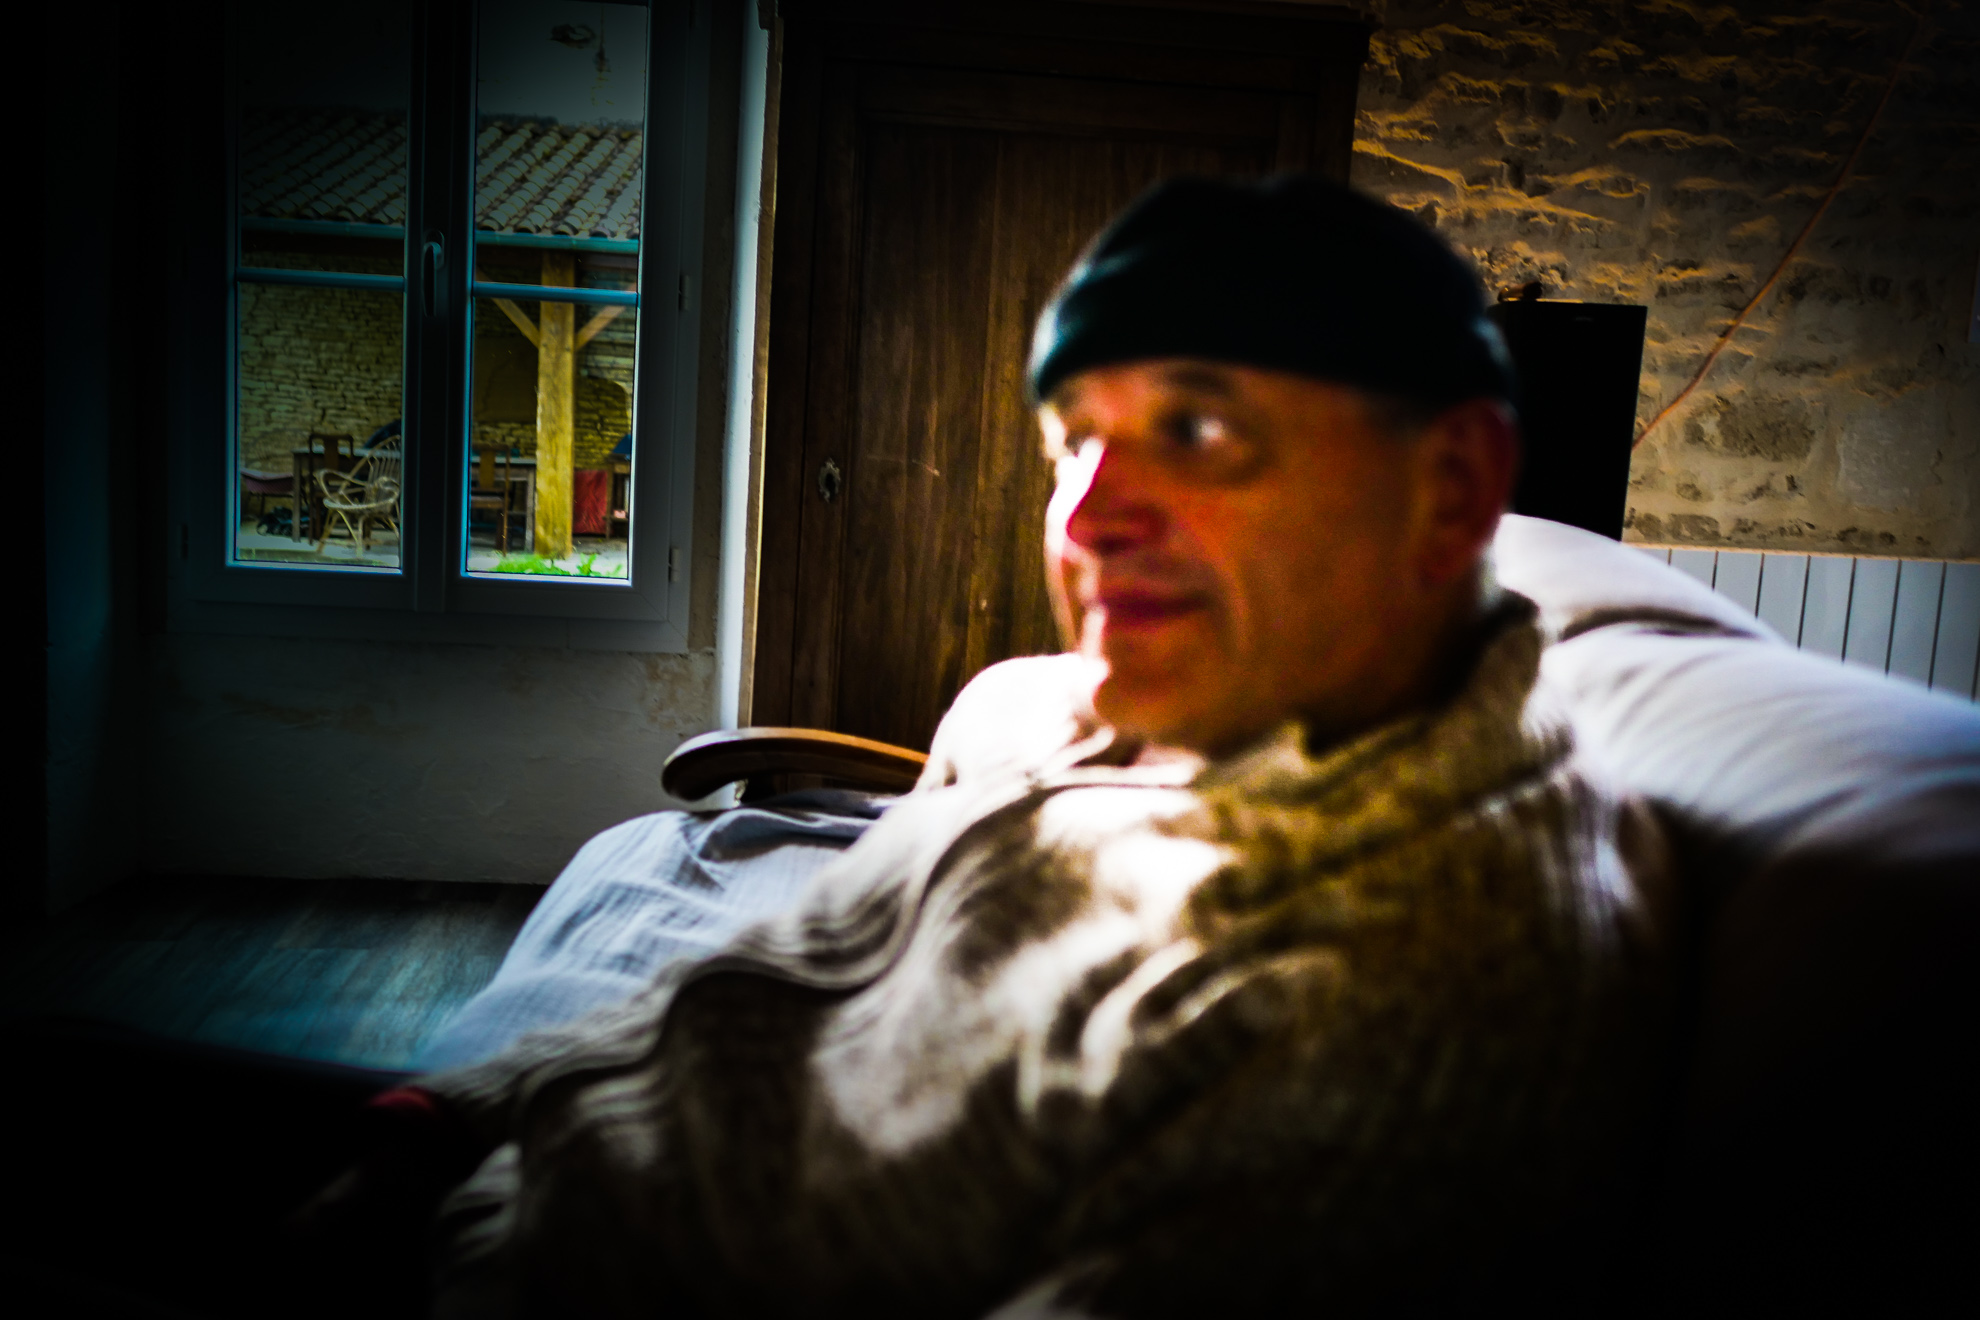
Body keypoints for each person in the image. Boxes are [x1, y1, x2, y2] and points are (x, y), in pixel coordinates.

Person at [307, 176, 1673, 1317]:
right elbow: (800, 959)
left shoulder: (1402, 1020)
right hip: (467, 1172)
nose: (1085, 520)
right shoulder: (1225, 713)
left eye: (1197, 428)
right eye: (1074, 442)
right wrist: (443, 1117)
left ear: (1451, 489)